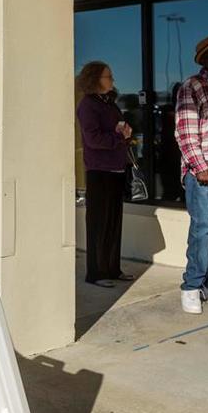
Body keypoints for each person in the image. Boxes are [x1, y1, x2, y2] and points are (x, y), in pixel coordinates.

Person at [175, 36, 208, 314]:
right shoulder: (192, 85)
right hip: (205, 173)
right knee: (203, 231)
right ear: (204, 60)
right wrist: (200, 166)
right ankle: (191, 287)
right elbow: (185, 131)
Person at [76, 61, 134, 288]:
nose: (112, 80)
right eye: (108, 77)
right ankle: (96, 272)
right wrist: (119, 137)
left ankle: (112, 268)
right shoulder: (88, 105)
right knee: (98, 223)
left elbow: (117, 130)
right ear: (95, 80)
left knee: (113, 222)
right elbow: (92, 139)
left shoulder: (110, 103)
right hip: (99, 170)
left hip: (116, 168)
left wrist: (125, 133)